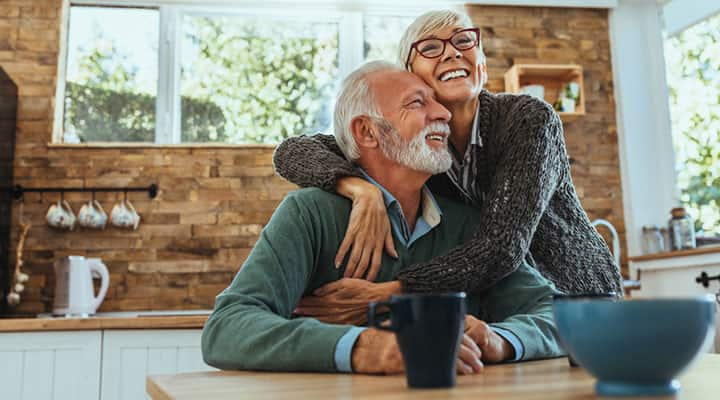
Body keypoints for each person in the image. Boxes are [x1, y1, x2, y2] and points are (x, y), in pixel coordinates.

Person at [202, 61, 563, 374]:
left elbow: (558, 315)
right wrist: (365, 347)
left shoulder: (468, 225)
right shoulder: (309, 214)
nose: (444, 114)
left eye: (437, 102)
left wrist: (499, 338)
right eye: (417, 103)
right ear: (367, 132)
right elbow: (227, 328)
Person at [272, 9, 622, 313]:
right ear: (410, 74)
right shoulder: (416, 148)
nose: (452, 53)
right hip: (501, 306)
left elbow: (501, 247)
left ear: (481, 64)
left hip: (577, 297)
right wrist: (361, 190)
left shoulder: (529, 121)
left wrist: (393, 293)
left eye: (463, 42)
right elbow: (292, 151)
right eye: (430, 47)